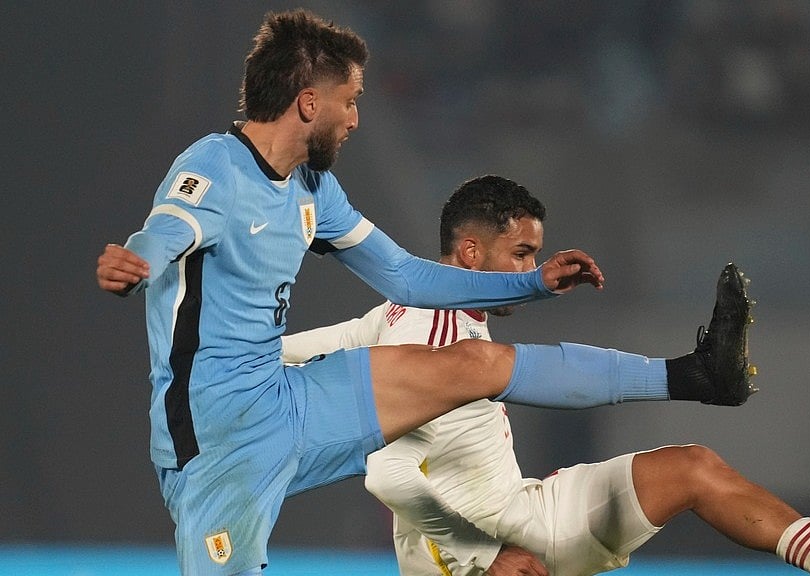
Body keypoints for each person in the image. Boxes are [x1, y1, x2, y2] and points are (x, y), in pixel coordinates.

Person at [95, 9, 759, 576]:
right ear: (309, 103)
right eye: (350, 100)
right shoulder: (214, 165)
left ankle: (696, 375)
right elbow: (166, 230)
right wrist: (136, 260)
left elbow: (407, 277)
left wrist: (529, 283)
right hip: (216, 442)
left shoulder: (312, 187)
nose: (355, 119)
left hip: (288, 400)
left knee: (475, 363)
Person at [282, 175, 810, 576]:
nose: (531, 270)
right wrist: (485, 557)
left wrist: (233, 359)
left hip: (524, 517)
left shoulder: (400, 314)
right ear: (470, 251)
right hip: (480, 557)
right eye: (522, 254)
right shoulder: (430, 334)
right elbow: (390, 475)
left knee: (692, 468)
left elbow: (300, 352)